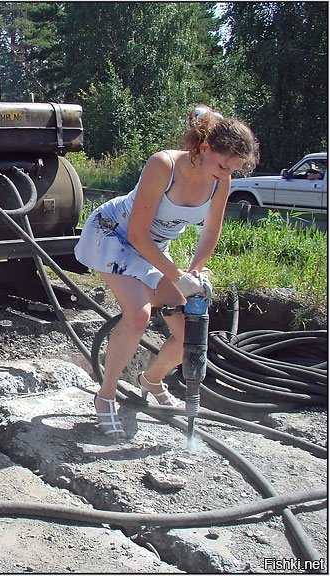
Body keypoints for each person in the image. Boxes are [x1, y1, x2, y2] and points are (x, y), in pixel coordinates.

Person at [74, 105, 259, 439]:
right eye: (222, 165)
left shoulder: (221, 180)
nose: (225, 174)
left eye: (233, 169)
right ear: (204, 148)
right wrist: (176, 276)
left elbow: (211, 231)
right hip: (115, 235)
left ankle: (152, 379)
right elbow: (137, 235)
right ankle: (106, 395)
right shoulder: (164, 165)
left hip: (155, 248)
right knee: (138, 315)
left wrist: (194, 272)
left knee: (189, 333)